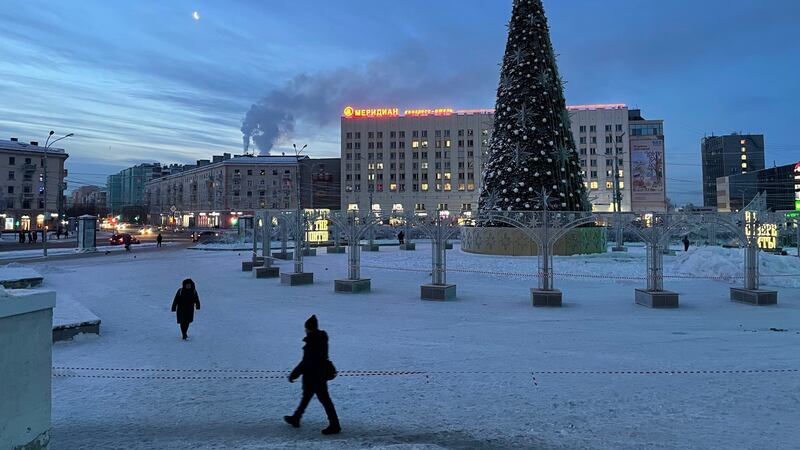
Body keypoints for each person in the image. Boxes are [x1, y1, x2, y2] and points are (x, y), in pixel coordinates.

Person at [284, 315, 341, 435]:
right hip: (319, 375)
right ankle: (296, 418)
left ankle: (335, 425)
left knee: (324, 400)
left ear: (308, 328)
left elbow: (306, 362)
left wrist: (294, 374)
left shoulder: (312, 342)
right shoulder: (321, 338)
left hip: (313, 376)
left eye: (306, 328)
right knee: (308, 397)